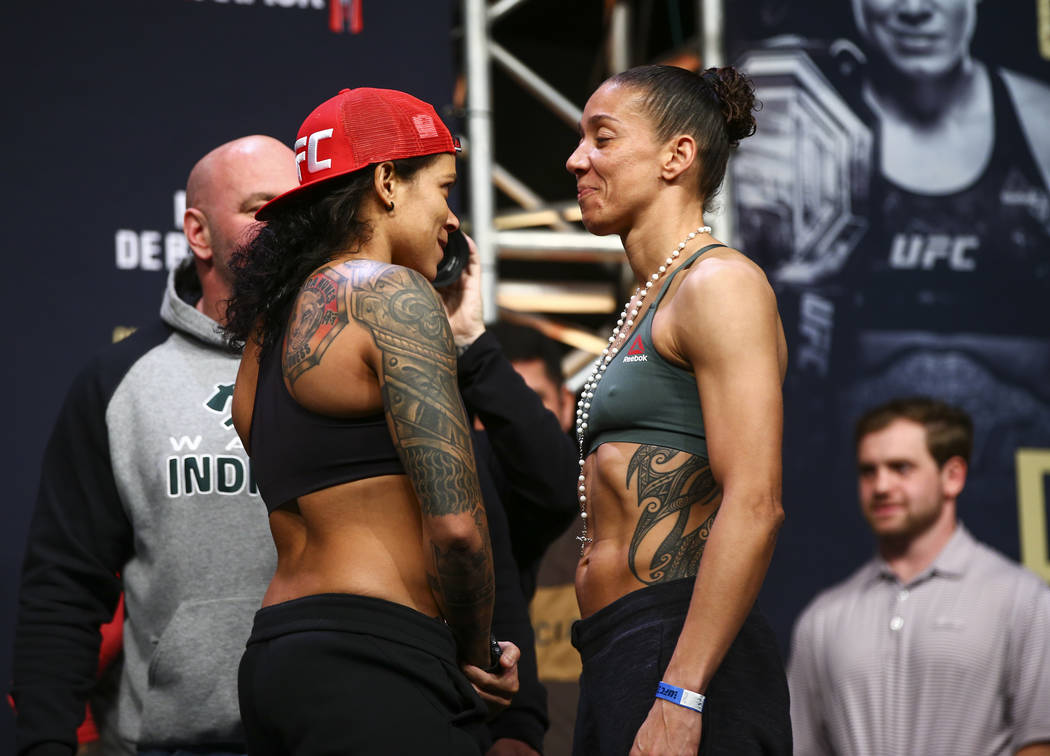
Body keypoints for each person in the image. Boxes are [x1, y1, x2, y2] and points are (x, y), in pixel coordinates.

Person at [223, 87, 518, 755]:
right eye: (443, 187)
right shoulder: (389, 294)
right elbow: (457, 529)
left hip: (274, 660)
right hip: (377, 663)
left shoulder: (263, 336)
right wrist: (476, 655)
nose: (450, 216)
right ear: (387, 182)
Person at [11, 135, 299, 756]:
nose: (284, 226)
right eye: (260, 208)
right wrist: (44, 741)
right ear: (198, 234)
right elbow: (64, 583)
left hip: (338, 735)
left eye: (297, 207)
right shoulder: (122, 383)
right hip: (175, 742)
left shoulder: (353, 368)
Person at [565, 64, 791, 755]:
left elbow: (754, 500)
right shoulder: (651, 299)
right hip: (618, 650)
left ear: (678, 156)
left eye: (603, 139)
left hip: (683, 659)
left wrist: (681, 693)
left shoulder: (720, 285)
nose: (577, 159)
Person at [788, 397, 1050, 756]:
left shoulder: (1024, 599)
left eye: (901, 467)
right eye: (868, 470)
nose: (880, 485)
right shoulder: (822, 618)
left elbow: (1040, 741)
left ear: (953, 476)